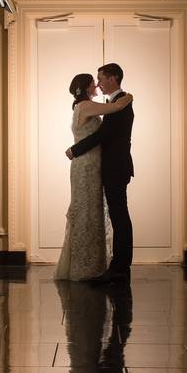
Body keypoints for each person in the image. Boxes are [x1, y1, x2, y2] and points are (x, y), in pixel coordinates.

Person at [54, 72, 133, 281]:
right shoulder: (87, 106)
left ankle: (95, 264)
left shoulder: (86, 106)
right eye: (94, 82)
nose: (97, 84)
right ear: (87, 87)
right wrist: (129, 97)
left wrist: (75, 149)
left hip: (94, 165)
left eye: (100, 80)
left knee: (92, 212)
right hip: (87, 166)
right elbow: (114, 110)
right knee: (86, 212)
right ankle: (86, 266)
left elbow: (102, 133)